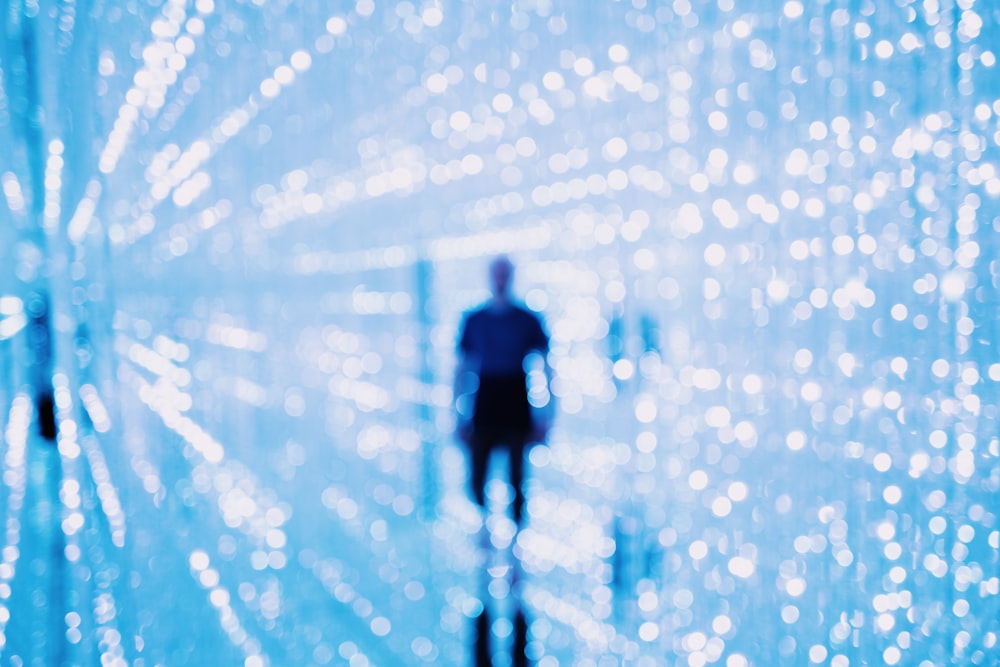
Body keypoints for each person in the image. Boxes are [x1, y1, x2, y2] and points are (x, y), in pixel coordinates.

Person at [454, 255, 552, 525]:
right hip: (485, 401)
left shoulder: (526, 320)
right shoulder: (475, 320)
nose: (500, 279)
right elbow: (461, 369)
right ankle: (483, 530)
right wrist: (457, 416)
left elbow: (546, 368)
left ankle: (516, 542)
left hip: (515, 399)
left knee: (517, 477)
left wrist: (547, 417)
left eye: (504, 273)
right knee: (477, 476)